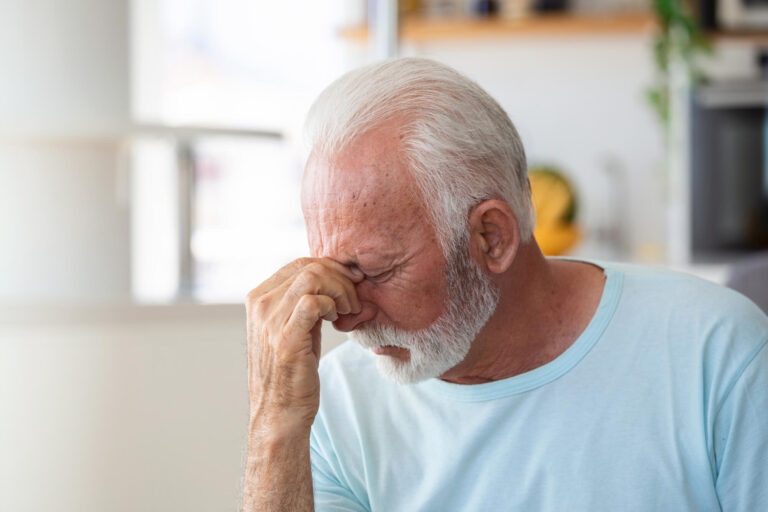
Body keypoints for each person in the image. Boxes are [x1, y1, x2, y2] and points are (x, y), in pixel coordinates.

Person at [241, 58, 768, 512]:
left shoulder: (716, 352)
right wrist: (273, 426)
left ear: (491, 237)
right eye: (334, 270)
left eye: (373, 272)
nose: (346, 315)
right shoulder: (335, 404)